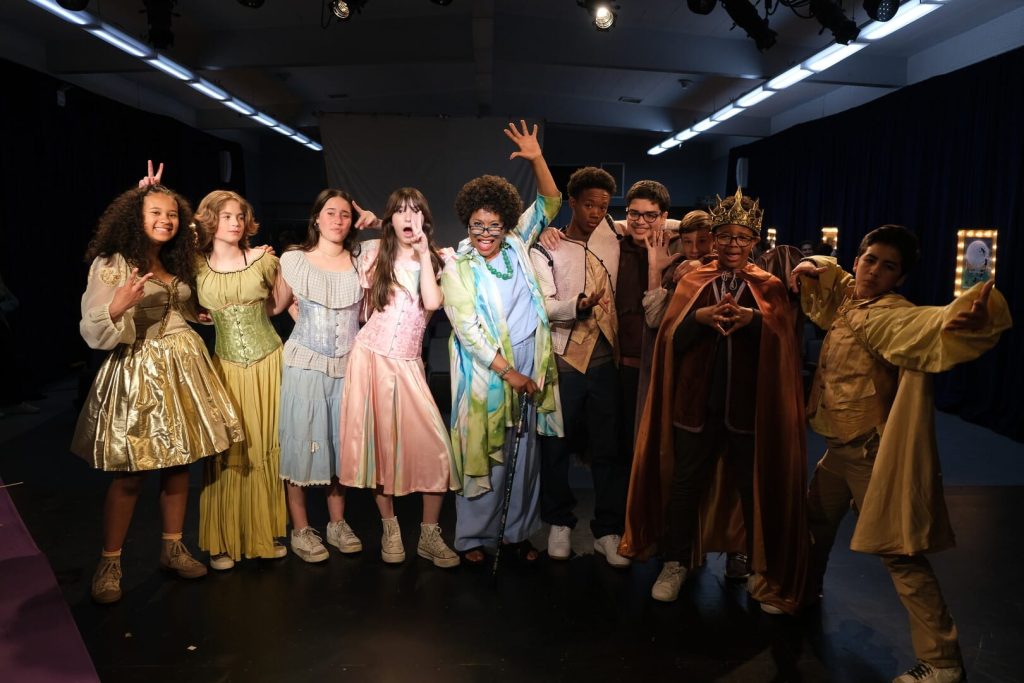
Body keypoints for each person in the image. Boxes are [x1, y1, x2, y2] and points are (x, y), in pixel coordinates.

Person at [790, 225, 1011, 683]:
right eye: (870, 259)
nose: (874, 270)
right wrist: (815, 263)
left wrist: (963, 315)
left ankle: (943, 660)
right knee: (813, 525)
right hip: (837, 450)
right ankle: (803, 594)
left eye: (888, 266)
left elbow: (928, 324)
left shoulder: (891, 315)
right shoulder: (852, 298)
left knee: (899, 555)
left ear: (900, 278)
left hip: (870, 454)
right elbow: (831, 280)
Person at [621, 188, 808, 613]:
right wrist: (699, 320)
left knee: (750, 486)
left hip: (748, 409)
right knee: (686, 486)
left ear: (755, 243)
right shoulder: (692, 281)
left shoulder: (770, 287)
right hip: (695, 405)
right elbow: (671, 340)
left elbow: (783, 345)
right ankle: (675, 562)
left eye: (742, 238)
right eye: (725, 236)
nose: (732, 245)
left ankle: (754, 562)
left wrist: (754, 321)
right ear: (714, 238)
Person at [72, 183, 243, 603]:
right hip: (138, 370)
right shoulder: (114, 263)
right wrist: (117, 305)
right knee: (132, 471)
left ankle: (173, 548)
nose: (165, 221)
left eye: (170, 214)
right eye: (154, 213)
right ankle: (110, 563)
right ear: (136, 218)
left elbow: (176, 299)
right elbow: (91, 327)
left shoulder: (173, 257)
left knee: (179, 464)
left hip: (183, 369)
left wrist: (192, 311)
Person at [441, 121, 562, 564]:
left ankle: (515, 533)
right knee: (483, 451)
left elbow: (551, 201)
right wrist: (507, 372)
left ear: (506, 223)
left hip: (530, 359)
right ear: (467, 223)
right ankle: (474, 537)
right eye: (477, 225)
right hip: (487, 373)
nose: (485, 233)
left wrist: (536, 159)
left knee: (524, 453)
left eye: (493, 225)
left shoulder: (516, 243)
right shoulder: (458, 266)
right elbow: (467, 330)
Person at [338, 187, 460, 568]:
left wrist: (424, 254)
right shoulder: (374, 253)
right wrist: (373, 227)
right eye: (400, 212)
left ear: (426, 218)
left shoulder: (441, 258)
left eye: (415, 211)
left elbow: (433, 303)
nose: (409, 218)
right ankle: (390, 528)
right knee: (379, 450)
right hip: (370, 357)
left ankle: (428, 534)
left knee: (437, 448)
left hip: (407, 363)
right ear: (390, 218)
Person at [529, 166, 632, 567]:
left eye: (604, 206)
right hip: (564, 360)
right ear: (572, 203)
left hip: (606, 361)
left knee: (608, 447)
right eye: (589, 204)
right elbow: (545, 304)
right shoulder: (547, 247)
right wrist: (578, 305)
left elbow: (666, 220)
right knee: (556, 445)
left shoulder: (615, 237)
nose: (595, 212)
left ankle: (607, 529)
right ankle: (559, 522)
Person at [277, 189, 379, 563]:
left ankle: (337, 523)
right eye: (330, 213)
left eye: (345, 215)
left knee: (338, 446)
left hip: (349, 365)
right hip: (305, 363)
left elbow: (411, 240)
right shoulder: (295, 259)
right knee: (302, 442)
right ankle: (301, 529)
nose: (338, 220)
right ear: (316, 218)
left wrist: (379, 222)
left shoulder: (361, 260)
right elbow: (274, 304)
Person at [192, 190, 292, 570]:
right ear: (210, 221)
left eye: (239, 216)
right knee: (229, 449)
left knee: (267, 444)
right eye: (225, 216)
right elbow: (189, 307)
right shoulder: (196, 266)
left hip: (268, 361)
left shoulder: (265, 259)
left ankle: (267, 532)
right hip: (226, 367)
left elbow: (278, 305)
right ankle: (223, 538)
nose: (234, 222)